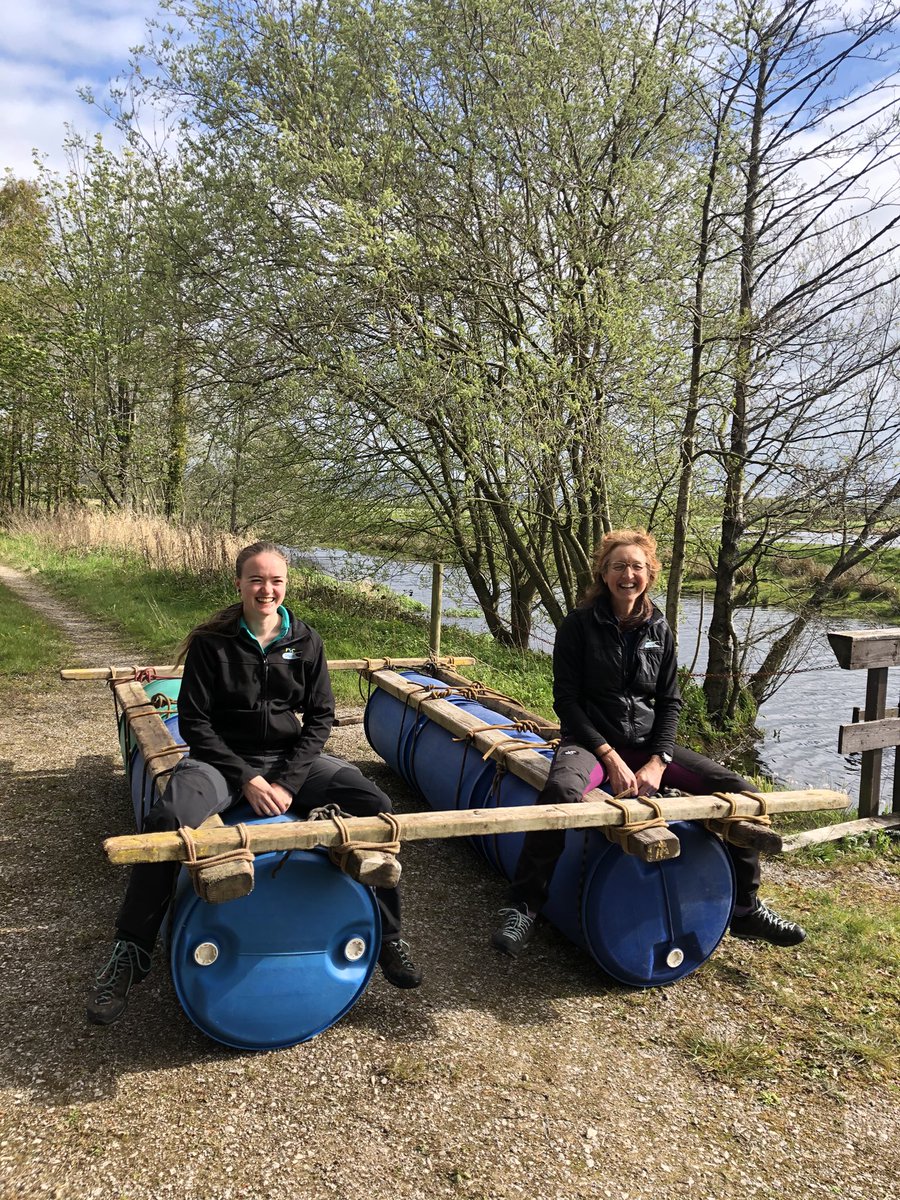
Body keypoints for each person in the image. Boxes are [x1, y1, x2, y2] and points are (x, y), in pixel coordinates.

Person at [87, 541, 422, 1025]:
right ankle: (131, 949)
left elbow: (320, 719)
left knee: (375, 802)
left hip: (288, 761)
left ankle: (389, 937)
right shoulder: (212, 643)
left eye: (276, 580)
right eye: (257, 580)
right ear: (239, 583)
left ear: (287, 585)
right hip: (221, 763)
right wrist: (247, 780)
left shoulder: (305, 641)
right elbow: (195, 723)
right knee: (167, 819)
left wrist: (286, 781)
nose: (267, 589)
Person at [491, 528, 806, 958]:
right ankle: (524, 906)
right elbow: (566, 701)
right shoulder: (578, 626)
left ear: (649, 574)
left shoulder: (659, 627)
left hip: (645, 744)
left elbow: (670, 701)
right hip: (590, 744)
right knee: (560, 793)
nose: (628, 574)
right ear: (603, 573)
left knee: (742, 792)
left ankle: (746, 909)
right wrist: (608, 756)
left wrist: (658, 760)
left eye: (637, 566)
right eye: (619, 566)